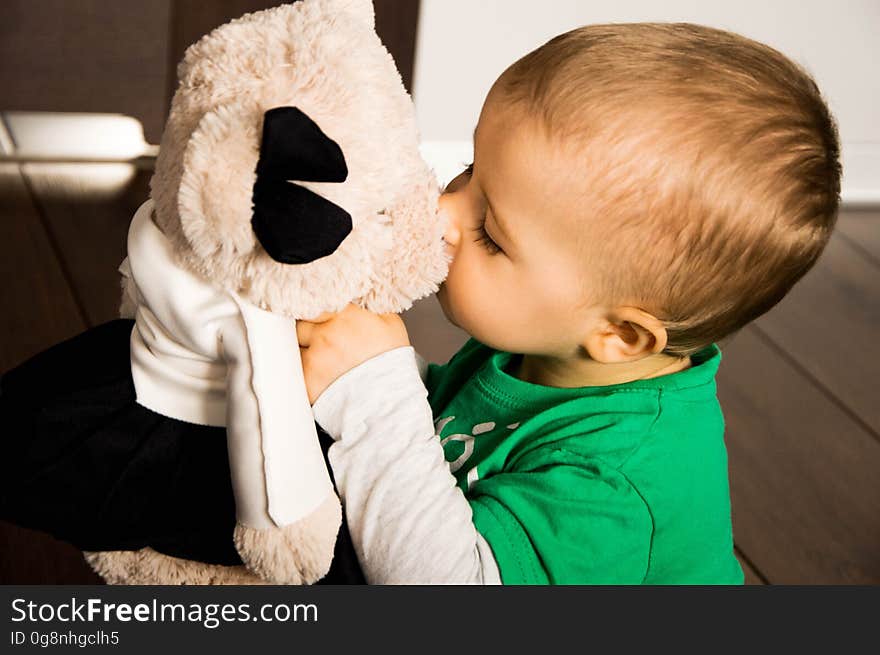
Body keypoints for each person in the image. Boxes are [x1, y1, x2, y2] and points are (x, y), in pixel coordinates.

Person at [296, 22, 841, 584]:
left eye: (491, 234)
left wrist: (375, 397)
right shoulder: (546, 348)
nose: (443, 211)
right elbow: (448, 436)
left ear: (620, 336)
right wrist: (364, 364)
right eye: (469, 169)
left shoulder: (615, 480)